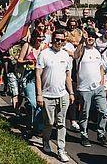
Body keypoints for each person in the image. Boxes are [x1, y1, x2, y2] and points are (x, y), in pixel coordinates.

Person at [36, 29, 74, 162]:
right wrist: (39, 94)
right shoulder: (44, 54)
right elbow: (38, 76)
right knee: (49, 123)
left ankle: (61, 149)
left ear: (65, 42)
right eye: (57, 39)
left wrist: (71, 93)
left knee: (61, 123)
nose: (59, 42)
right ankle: (45, 142)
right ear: (52, 40)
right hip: (47, 95)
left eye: (62, 40)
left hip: (62, 95)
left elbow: (68, 76)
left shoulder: (65, 56)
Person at [74, 29, 107, 148]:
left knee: (103, 111)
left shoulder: (97, 52)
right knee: (85, 113)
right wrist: (82, 40)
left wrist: (101, 82)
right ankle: (84, 135)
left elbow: (100, 67)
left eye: (93, 37)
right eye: (89, 36)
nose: (91, 38)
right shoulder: (82, 50)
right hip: (84, 88)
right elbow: (75, 55)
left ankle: (101, 134)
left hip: (98, 87)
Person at [18, 29, 48, 136]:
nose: (40, 40)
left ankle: (37, 127)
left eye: (42, 38)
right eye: (39, 37)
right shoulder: (27, 46)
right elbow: (19, 60)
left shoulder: (45, 48)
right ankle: (29, 124)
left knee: (40, 103)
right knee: (32, 103)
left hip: (41, 77)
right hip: (29, 77)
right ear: (34, 37)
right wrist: (27, 61)